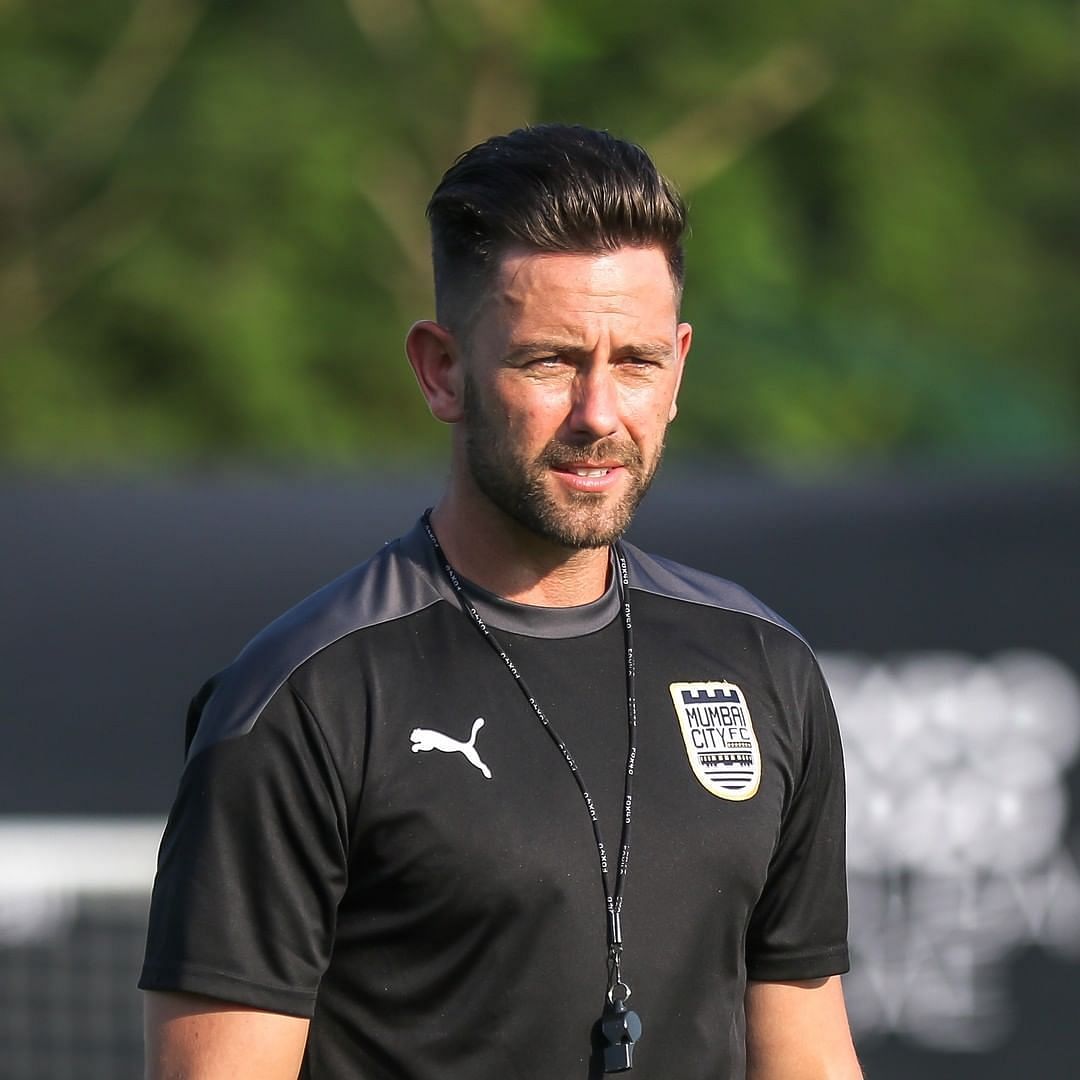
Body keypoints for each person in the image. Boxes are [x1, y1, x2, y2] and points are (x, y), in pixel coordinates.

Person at [140, 123, 861, 1079]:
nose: (600, 414)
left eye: (636, 362)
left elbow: (809, 1058)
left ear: (679, 367)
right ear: (443, 369)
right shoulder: (305, 700)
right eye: (551, 362)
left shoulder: (765, 666)